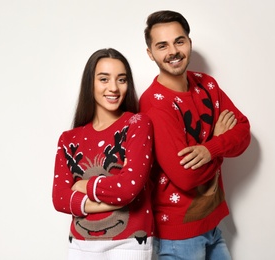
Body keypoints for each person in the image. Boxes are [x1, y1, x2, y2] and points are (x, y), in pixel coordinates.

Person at [139, 10, 251, 260]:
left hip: (211, 222)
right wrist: (218, 143)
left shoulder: (207, 84)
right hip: (178, 234)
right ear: (150, 53)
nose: (173, 51)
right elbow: (186, 176)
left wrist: (210, 149)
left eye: (179, 41)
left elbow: (243, 131)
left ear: (189, 42)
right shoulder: (155, 104)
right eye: (162, 45)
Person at [52, 48, 155, 260]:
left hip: (129, 241)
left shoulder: (137, 124)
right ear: (90, 83)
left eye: (121, 79)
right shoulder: (68, 139)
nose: (114, 88)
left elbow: (129, 188)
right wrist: (113, 198)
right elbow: (60, 198)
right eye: (104, 79)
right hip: (80, 244)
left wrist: (84, 186)